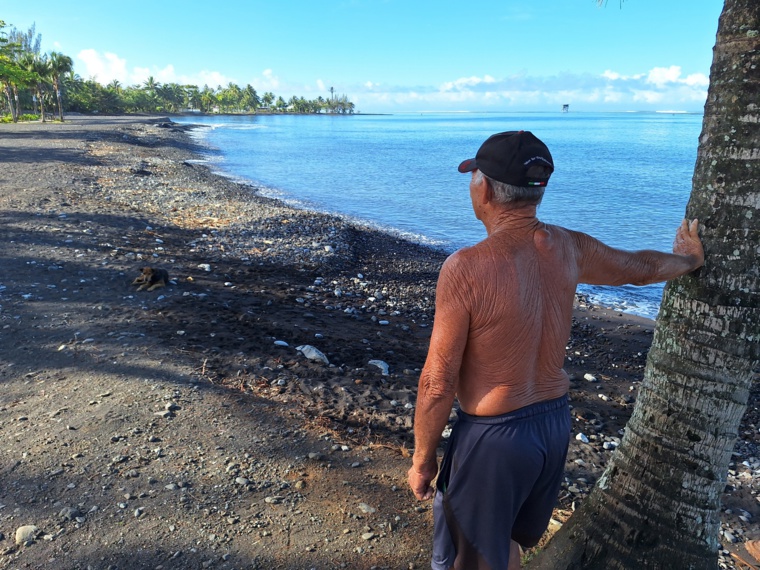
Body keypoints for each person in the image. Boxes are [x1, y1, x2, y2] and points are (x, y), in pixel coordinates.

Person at [407, 130, 705, 570]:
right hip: (552, 426)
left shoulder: (465, 268)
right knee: (508, 541)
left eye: (474, 177)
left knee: (467, 558)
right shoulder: (570, 246)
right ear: (538, 189)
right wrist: (690, 261)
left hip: (495, 440)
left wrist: (422, 460)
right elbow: (638, 269)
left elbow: (437, 382)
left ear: (483, 188)